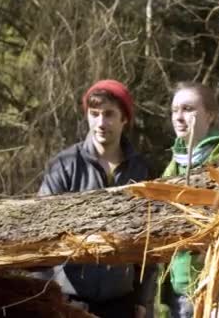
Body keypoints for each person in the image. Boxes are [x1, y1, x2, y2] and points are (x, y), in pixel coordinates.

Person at [37, 79, 155, 318]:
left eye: (109, 114)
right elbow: (39, 238)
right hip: (69, 301)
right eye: (95, 114)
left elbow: (151, 244)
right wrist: (45, 297)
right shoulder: (65, 165)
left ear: (124, 119)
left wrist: (143, 300)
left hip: (121, 303)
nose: (101, 123)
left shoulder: (141, 171)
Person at [157, 81, 219, 318]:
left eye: (188, 109)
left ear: (211, 116)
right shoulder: (173, 166)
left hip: (216, 289)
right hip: (175, 290)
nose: (179, 117)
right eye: (174, 110)